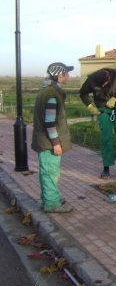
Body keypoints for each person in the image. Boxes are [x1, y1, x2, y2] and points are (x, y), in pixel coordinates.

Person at [31, 62, 74, 213]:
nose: (68, 76)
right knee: (50, 173)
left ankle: (49, 198)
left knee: (47, 172)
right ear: (60, 76)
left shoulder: (46, 91)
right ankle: (52, 204)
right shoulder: (52, 95)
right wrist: (56, 143)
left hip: (44, 141)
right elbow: (50, 122)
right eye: (66, 73)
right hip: (48, 143)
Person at [79, 68, 116, 178]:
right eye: (100, 86)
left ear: (108, 77)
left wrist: (115, 98)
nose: (103, 87)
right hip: (103, 111)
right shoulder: (92, 79)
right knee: (105, 138)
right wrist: (89, 106)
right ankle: (106, 168)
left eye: (105, 84)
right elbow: (82, 93)